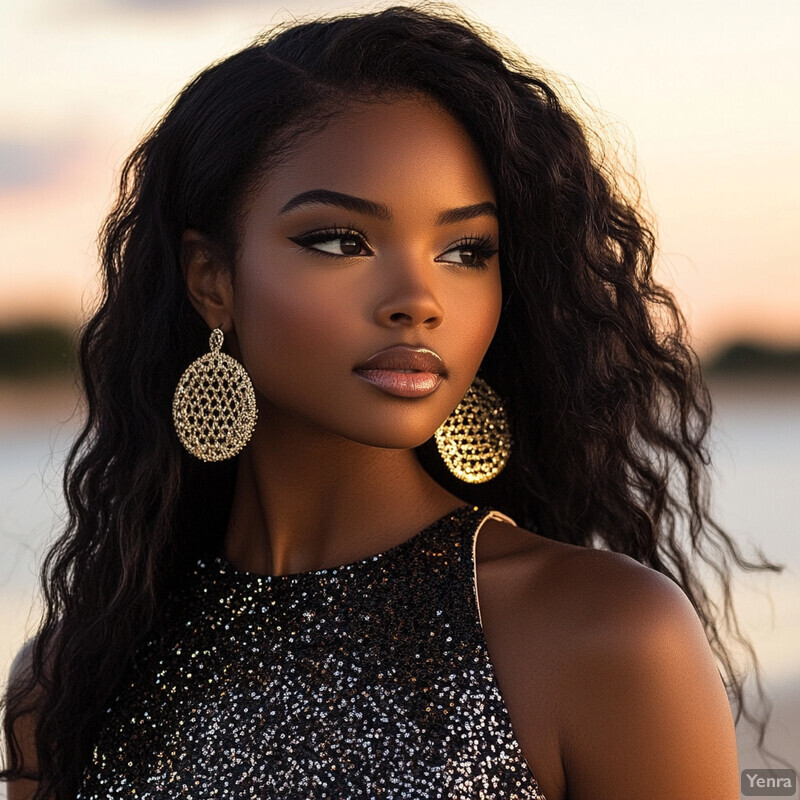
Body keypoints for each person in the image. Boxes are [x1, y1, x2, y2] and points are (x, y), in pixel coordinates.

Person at [1, 4, 786, 799]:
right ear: (213, 280)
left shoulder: (603, 636)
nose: (418, 299)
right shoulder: (68, 686)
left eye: (465, 251)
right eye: (341, 241)